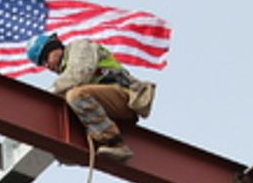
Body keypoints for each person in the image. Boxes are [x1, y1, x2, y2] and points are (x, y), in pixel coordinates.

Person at [25, 32, 156, 163]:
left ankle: (114, 142)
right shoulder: (67, 77)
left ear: (54, 48)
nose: (47, 65)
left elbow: (80, 74)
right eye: (42, 64)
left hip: (124, 96)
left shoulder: (80, 47)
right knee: (69, 105)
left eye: (45, 58)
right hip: (105, 105)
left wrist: (49, 94)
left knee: (76, 95)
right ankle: (86, 149)